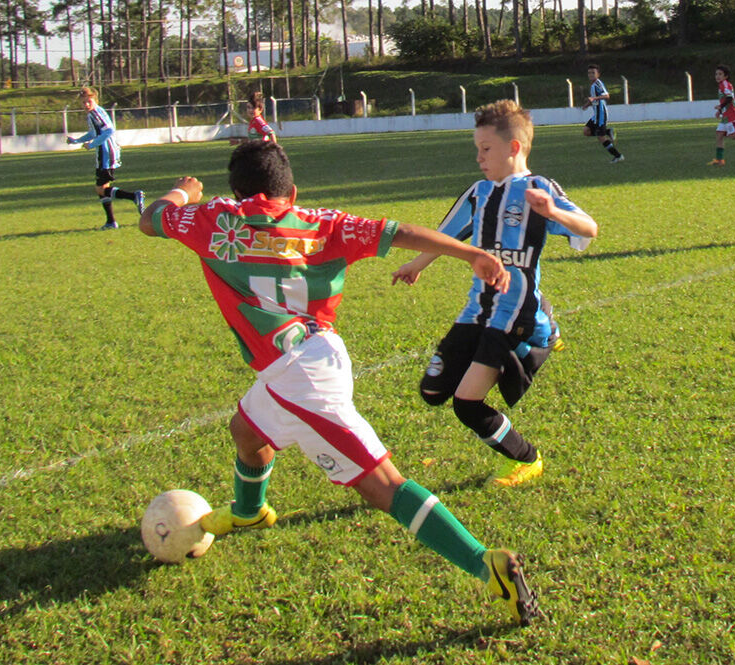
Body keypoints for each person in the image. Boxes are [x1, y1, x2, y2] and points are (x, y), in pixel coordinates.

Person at [138, 141, 538, 627]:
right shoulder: (322, 223)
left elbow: (151, 218)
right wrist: (471, 252)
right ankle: (250, 510)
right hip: (307, 360)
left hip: (303, 378)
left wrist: (181, 192)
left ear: (238, 191)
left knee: (382, 485)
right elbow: (401, 231)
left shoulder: (213, 220)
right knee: (245, 431)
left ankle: (484, 563)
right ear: (293, 190)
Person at [392, 100, 598, 487]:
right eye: (478, 149)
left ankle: (525, 458)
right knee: (433, 391)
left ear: (513, 148)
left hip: (512, 317)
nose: (479, 158)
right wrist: (416, 265)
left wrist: (554, 212)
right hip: (475, 311)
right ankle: (548, 325)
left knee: (467, 404)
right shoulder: (479, 192)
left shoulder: (540, 190)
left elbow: (589, 229)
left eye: (485, 149)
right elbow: (447, 235)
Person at [66, 86, 145, 229]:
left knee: (101, 189)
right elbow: (93, 132)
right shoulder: (93, 113)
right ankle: (110, 222)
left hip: (106, 153)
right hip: (104, 153)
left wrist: (92, 145)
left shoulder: (96, 113)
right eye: (83, 102)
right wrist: (77, 141)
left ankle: (134, 196)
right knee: (102, 189)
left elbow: (109, 131)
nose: (86, 105)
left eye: (89, 101)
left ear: (95, 99)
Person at [580, 64, 624, 164]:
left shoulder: (598, 84)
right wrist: (587, 104)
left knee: (601, 137)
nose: (590, 75)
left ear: (598, 74)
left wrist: (594, 99)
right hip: (596, 115)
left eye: (593, 73)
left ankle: (618, 156)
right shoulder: (593, 85)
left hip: (601, 114)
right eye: (589, 73)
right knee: (586, 131)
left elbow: (606, 95)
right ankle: (608, 132)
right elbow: (594, 98)